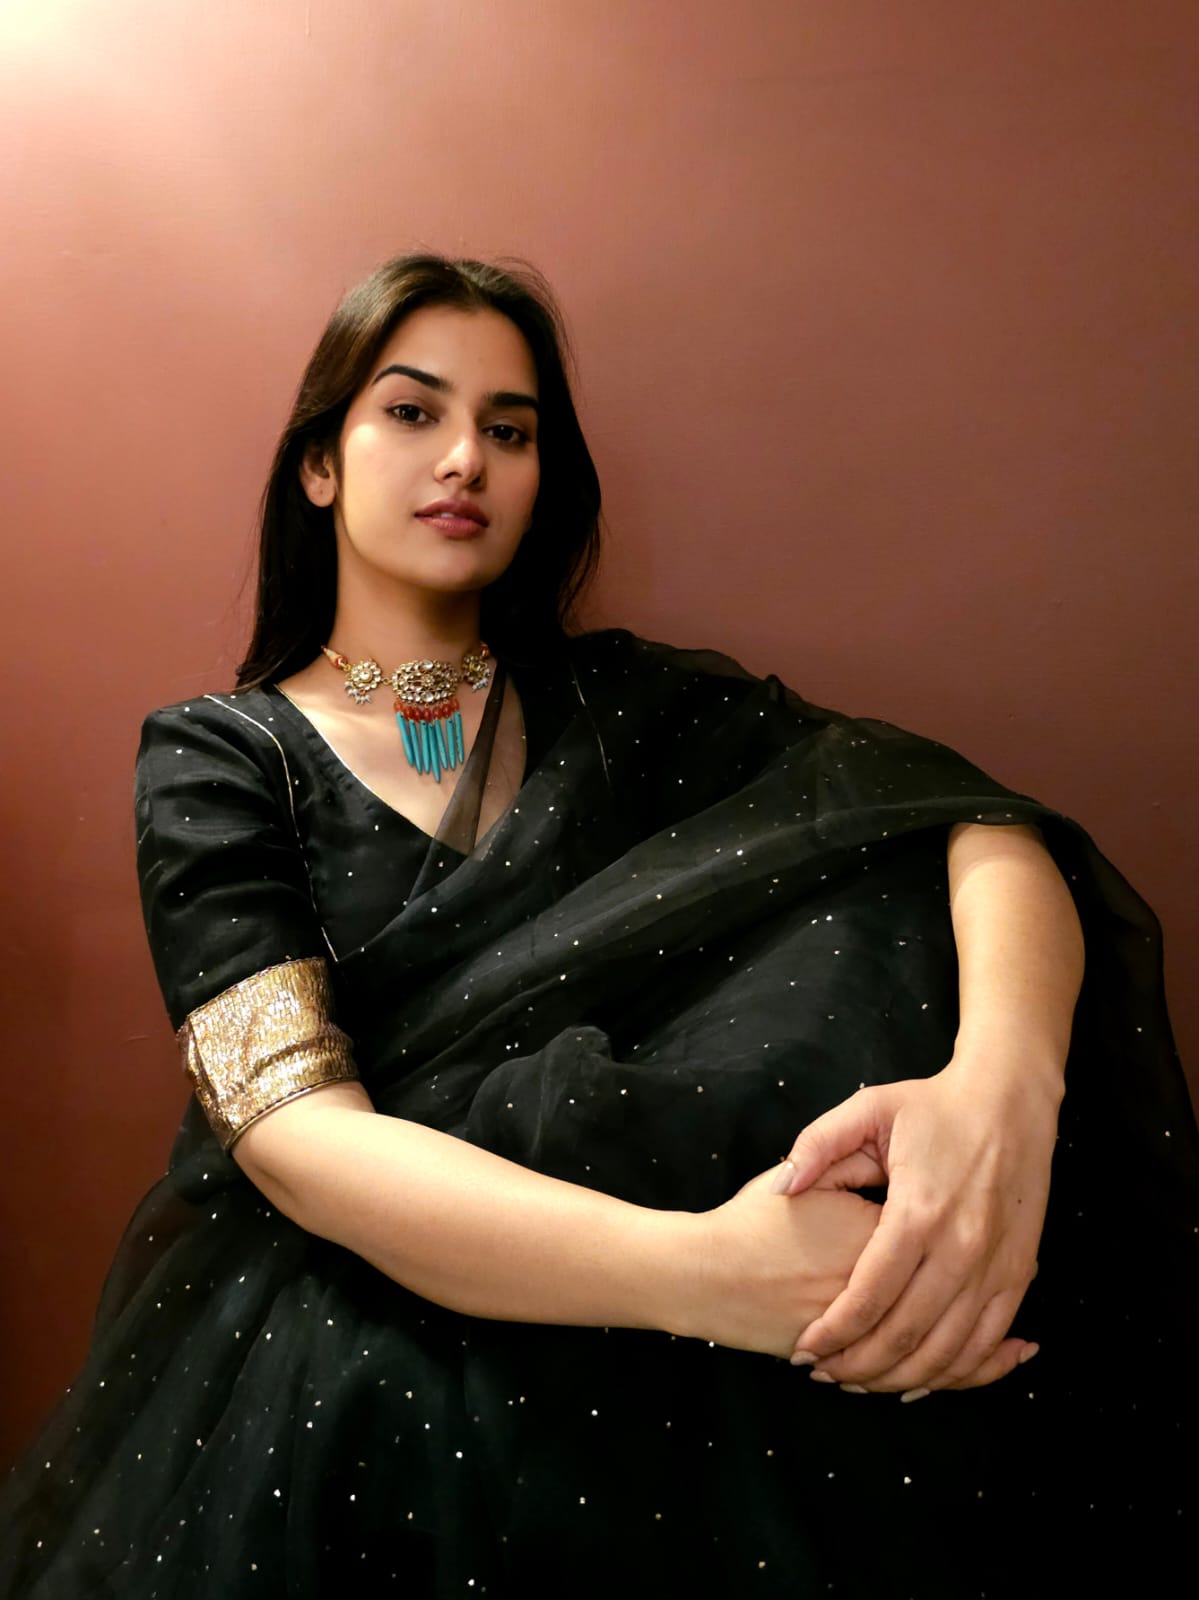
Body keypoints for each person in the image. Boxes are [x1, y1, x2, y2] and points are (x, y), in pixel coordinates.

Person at [2, 253, 1196, 1598]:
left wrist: (1000, 1100)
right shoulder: (223, 756)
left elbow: (972, 821)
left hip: (710, 1312)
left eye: (509, 431)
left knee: (866, 910)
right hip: (377, 1318)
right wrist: (710, 1273)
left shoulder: (625, 710)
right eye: (412, 411)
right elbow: (294, 1137)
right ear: (320, 464)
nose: (465, 457)